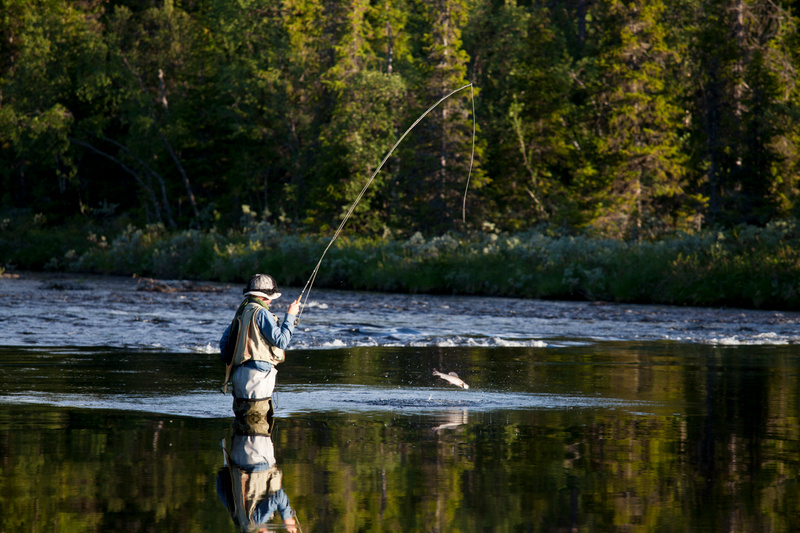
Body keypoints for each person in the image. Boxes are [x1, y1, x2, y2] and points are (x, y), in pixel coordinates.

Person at [220, 274, 301, 418]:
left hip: (239, 377)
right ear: (264, 296)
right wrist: (290, 316)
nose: (271, 302)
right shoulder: (262, 313)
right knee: (256, 429)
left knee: (242, 428)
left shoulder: (242, 311)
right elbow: (281, 341)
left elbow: (224, 346)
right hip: (257, 379)